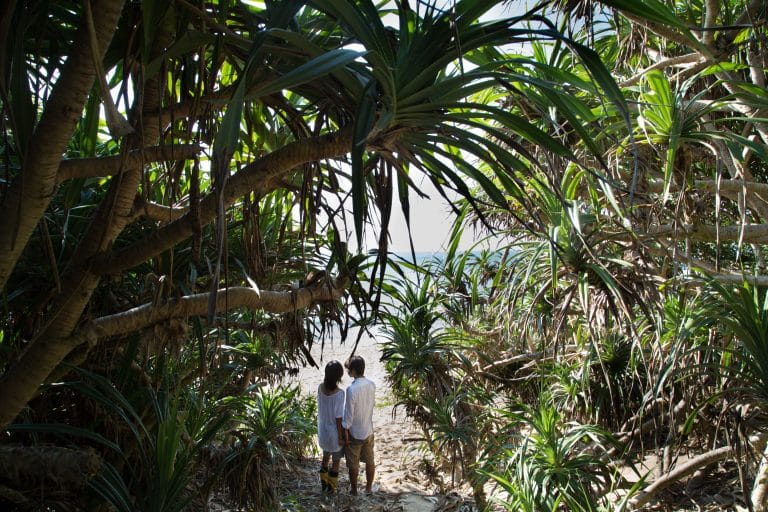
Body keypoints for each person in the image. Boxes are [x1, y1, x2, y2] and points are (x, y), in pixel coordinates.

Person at [343, 355, 376, 495]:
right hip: (368, 430)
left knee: (353, 464)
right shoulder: (371, 384)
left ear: (354, 371)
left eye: (349, 369)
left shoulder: (351, 390)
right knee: (370, 460)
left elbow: (349, 417)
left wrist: (345, 431)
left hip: (355, 433)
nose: (348, 371)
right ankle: (368, 488)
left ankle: (354, 490)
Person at [317, 360, 345, 493]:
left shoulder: (320, 388)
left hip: (323, 430)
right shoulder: (340, 394)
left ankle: (324, 485)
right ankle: (331, 488)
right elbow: (339, 418)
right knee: (336, 461)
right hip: (334, 432)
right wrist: (341, 437)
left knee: (325, 457)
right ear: (339, 376)